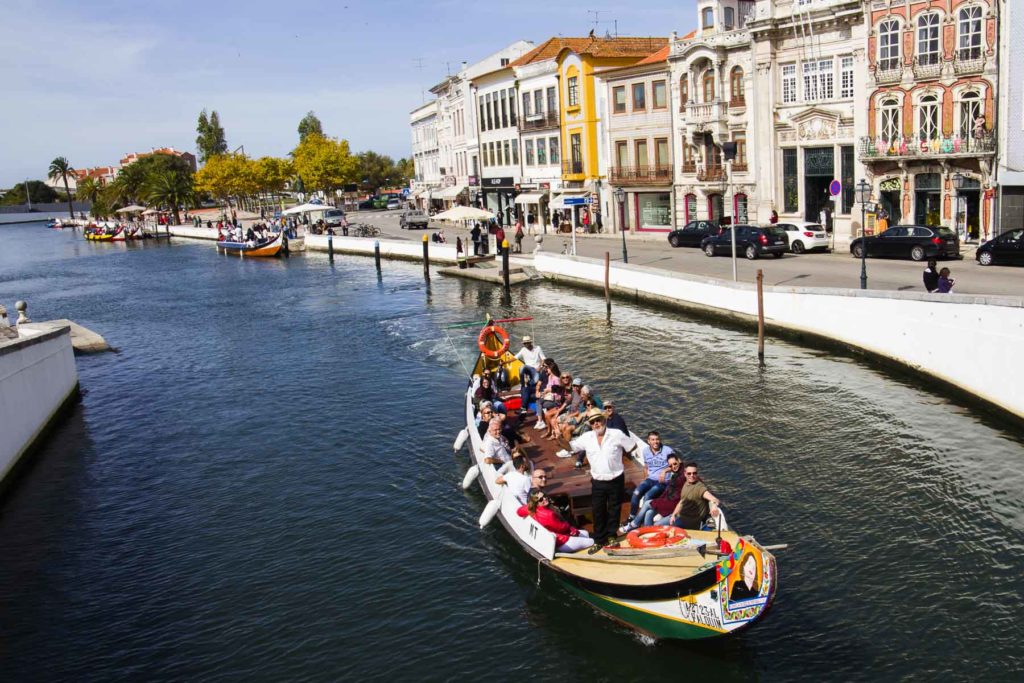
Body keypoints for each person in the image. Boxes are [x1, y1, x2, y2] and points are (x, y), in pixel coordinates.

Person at [569, 410, 637, 551]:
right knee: (598, 510)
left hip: (616, 479)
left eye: (598, 420)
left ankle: (612, 535)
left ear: (604, 420)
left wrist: (617, 458)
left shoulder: (616, 434)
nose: (596, 424)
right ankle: (599, 540)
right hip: (598, 481)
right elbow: (572, 447)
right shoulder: (586, 437)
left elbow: (632, 446)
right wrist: (562, 435)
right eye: (593, 422)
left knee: (614, 509)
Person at [620, 454, 683, 533]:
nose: (673, 467)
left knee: (647, 503)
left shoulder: (684, 474)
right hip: (669, 499)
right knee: (649, 512)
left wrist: (666, 472)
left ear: (679, 461)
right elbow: (672, 486)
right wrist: (665, 470)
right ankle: (648, 533)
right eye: (670, 466)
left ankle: (634, 524)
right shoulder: (677, 474)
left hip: (673, 503)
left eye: (675, 464)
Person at [517, 491, 593, 553]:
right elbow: (562, 528)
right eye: (540, 500)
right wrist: (571, 528)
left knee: (585, 533)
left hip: (553, 536)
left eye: (544, 496)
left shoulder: (531, 509)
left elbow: (519, 512)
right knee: (591, 541)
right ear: (536, 503)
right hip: (561, 542)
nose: (544, 499)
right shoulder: (549, 514)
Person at [627, 431, 675, 522]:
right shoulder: (645, 451)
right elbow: (646, 466)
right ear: (648, 441)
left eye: (657, 439)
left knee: (648, 495)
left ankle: (640, 518)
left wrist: (665, 471)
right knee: (636, 493)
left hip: (663, 481)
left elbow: (677, 464)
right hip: (650, 479)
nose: (655, 442)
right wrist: (645, 478)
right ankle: (632, 516)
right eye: (652, 440)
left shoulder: (667, 450)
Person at [661, 462, 721, 530]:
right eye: (689, 473)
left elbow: (715, 499)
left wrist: (714, 506)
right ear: (685, 474)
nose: (692, 475)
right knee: (659, 526)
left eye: (694, 473)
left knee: (664, 528)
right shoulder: (686, 484)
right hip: (681, 518)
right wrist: (673, 515)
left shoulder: (699, 487)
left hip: (691, 523)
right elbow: (682, 501)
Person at [514, 336, 545, 413]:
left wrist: (540, 367)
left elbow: (543, 359)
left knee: (527, 387)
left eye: (527, 343)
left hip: (536, 370)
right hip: (528, 370)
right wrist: (504, 362)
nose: (525, 345)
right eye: (524, 343)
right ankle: (523, 385)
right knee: (522, 368)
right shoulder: (523, 350)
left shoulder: (538, 348)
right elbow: (515, 357)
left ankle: (523, 407)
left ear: (530, 342)